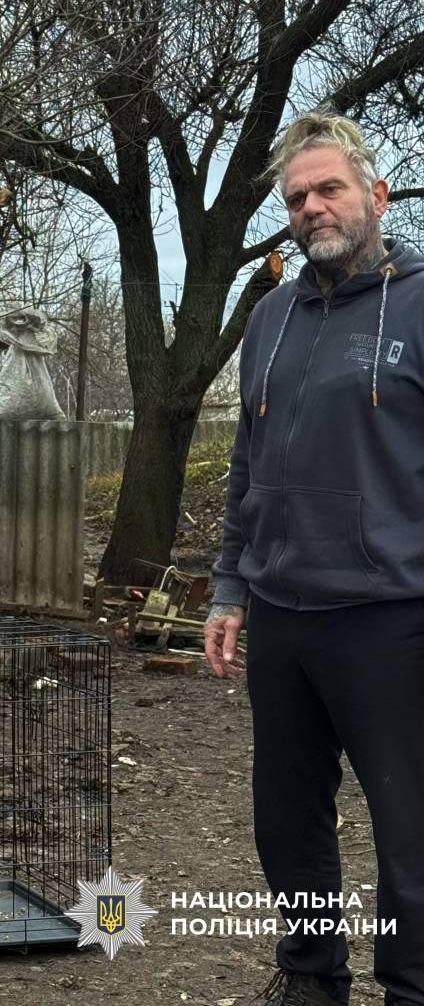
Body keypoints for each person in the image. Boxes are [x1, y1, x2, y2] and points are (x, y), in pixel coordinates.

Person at [206, 111, 424, 1006]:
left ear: (375, 194)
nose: (311, 207)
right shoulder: (270, 317)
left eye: (328, 188)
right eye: (296, 198)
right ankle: (310, 978)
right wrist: (228, 586)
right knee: (287, 820)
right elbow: (248, 465)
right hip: (284, 616)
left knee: (410, 827)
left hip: (393, 616)